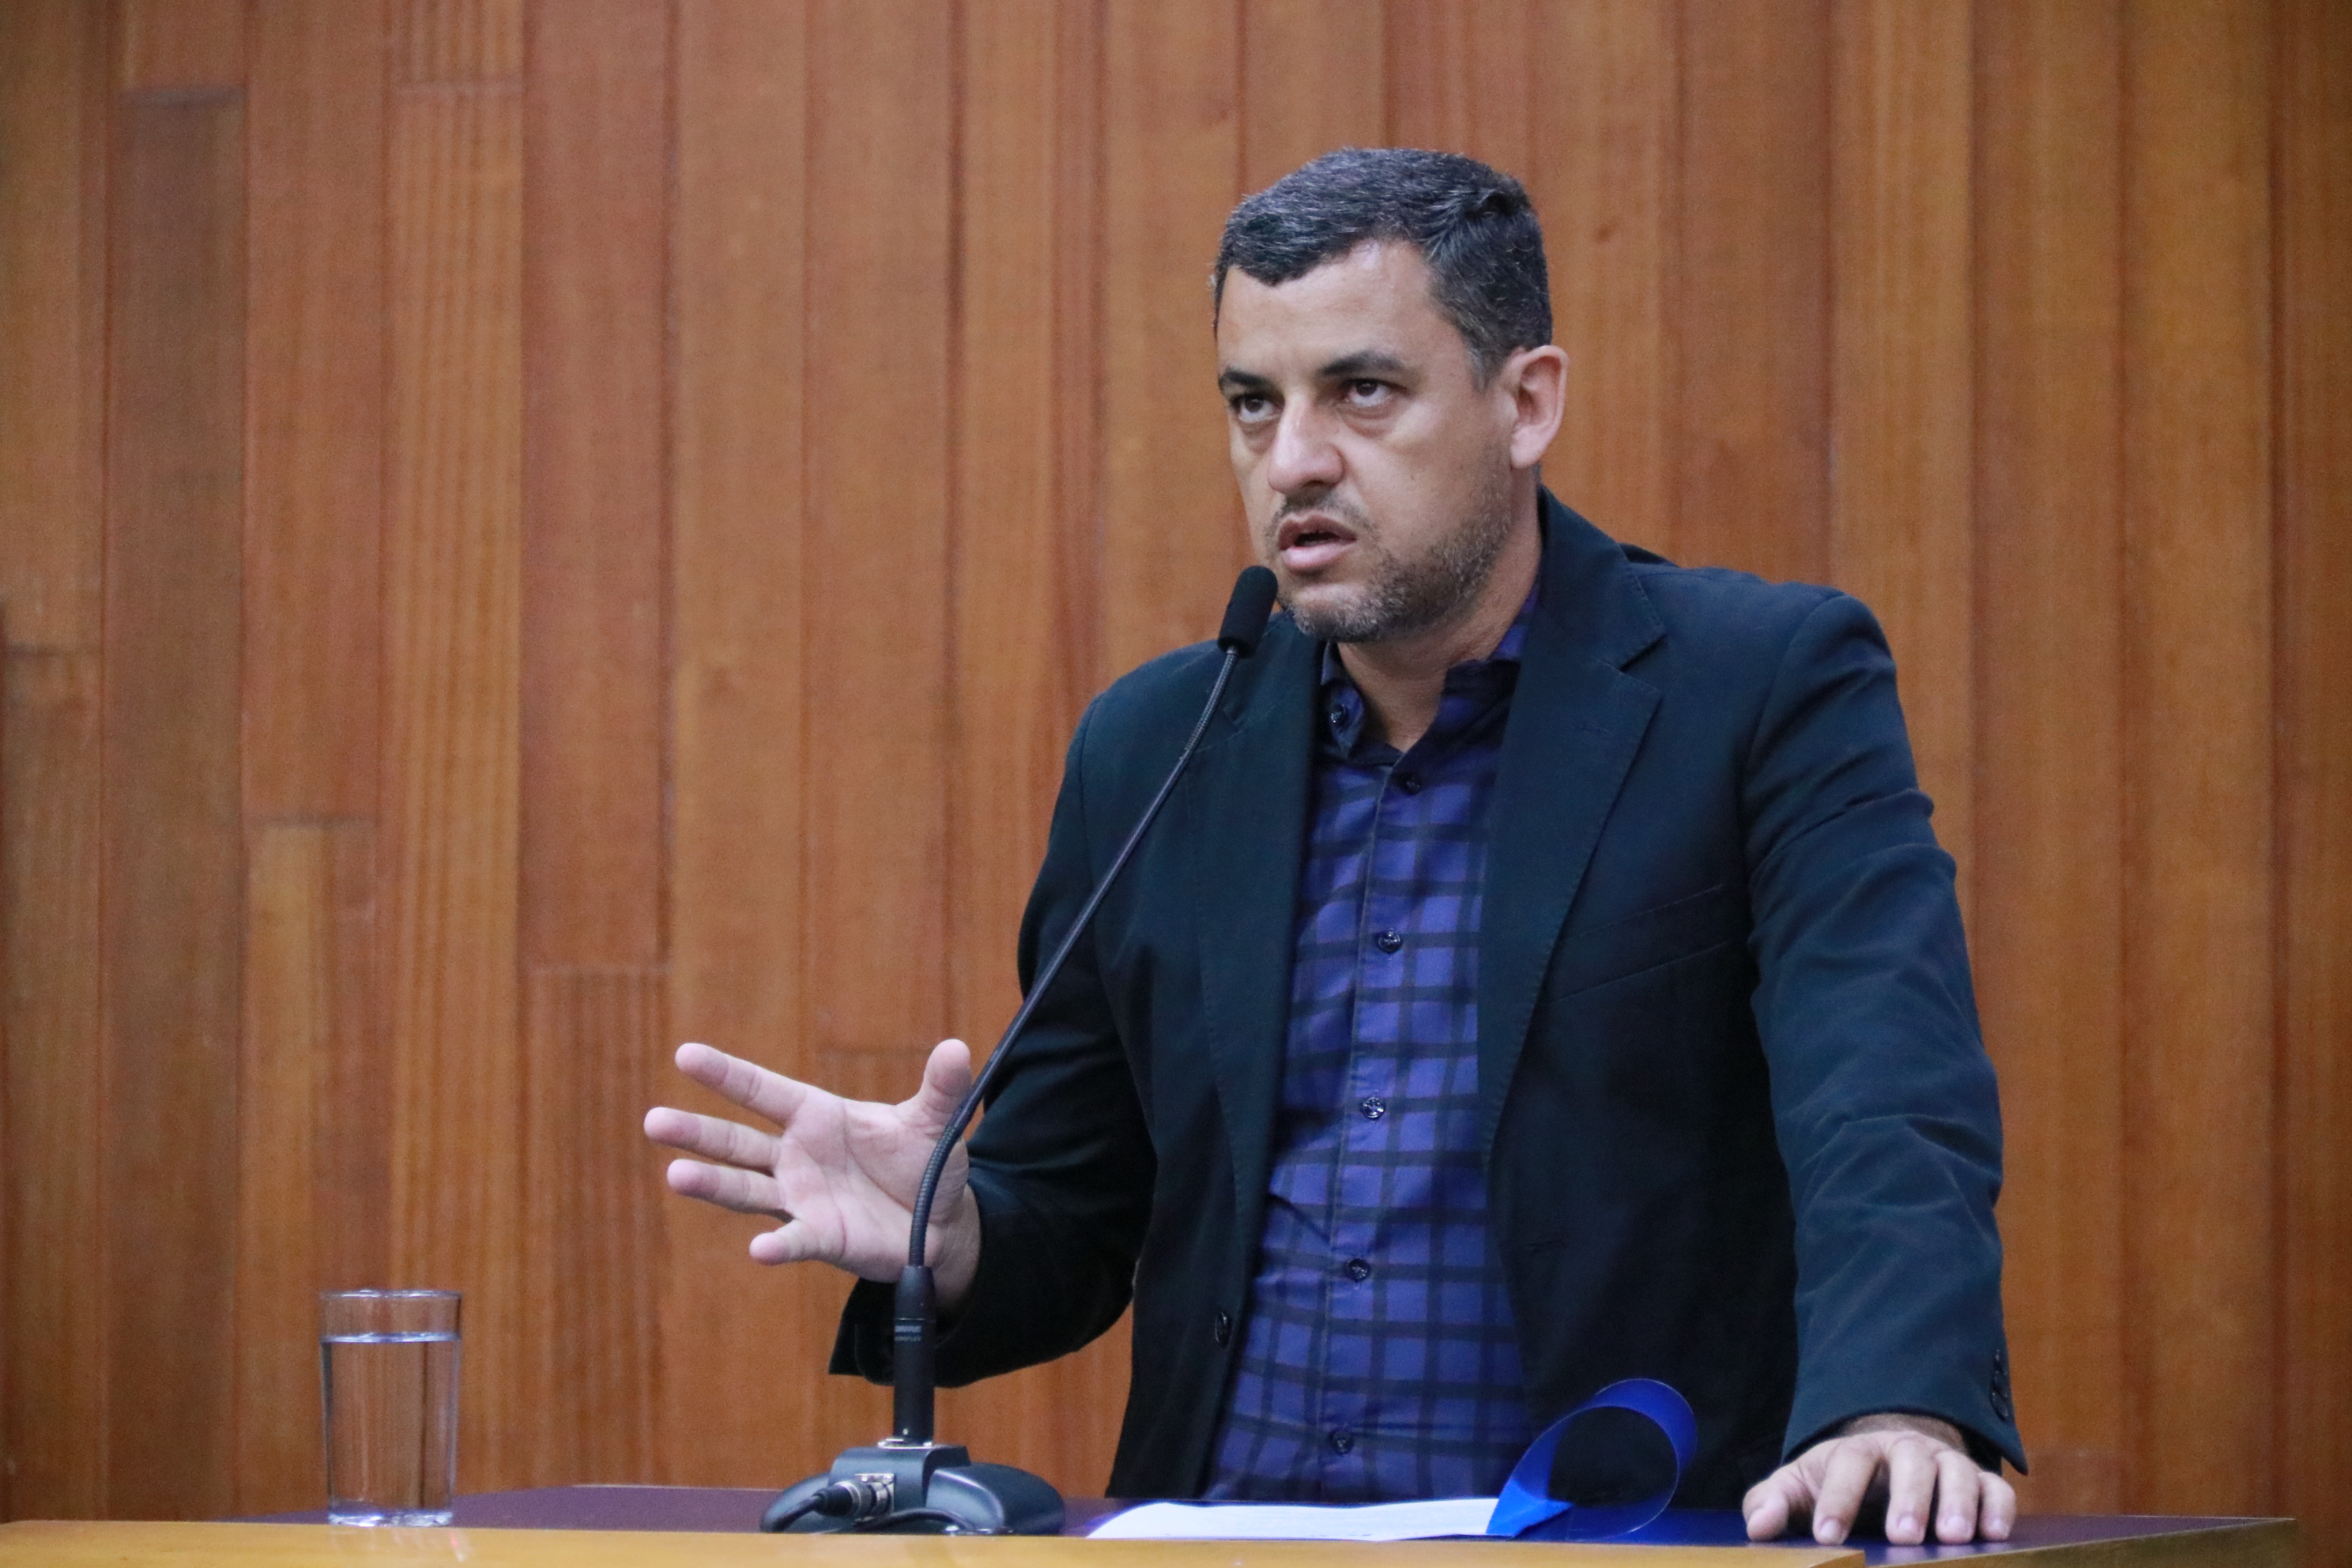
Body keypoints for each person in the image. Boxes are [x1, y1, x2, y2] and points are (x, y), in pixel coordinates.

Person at [645, 148, 2022, 1547]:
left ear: (1526, 403)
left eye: (1362, 391)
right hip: (1220, 1538)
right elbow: (1074, 1207)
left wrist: (1896, 1403)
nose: (1293, 460)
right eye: (1254, 402)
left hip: (1612, 1538)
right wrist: (956, 1237)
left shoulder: (1757, 691)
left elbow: (1882, 1093)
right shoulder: (1156, 744)